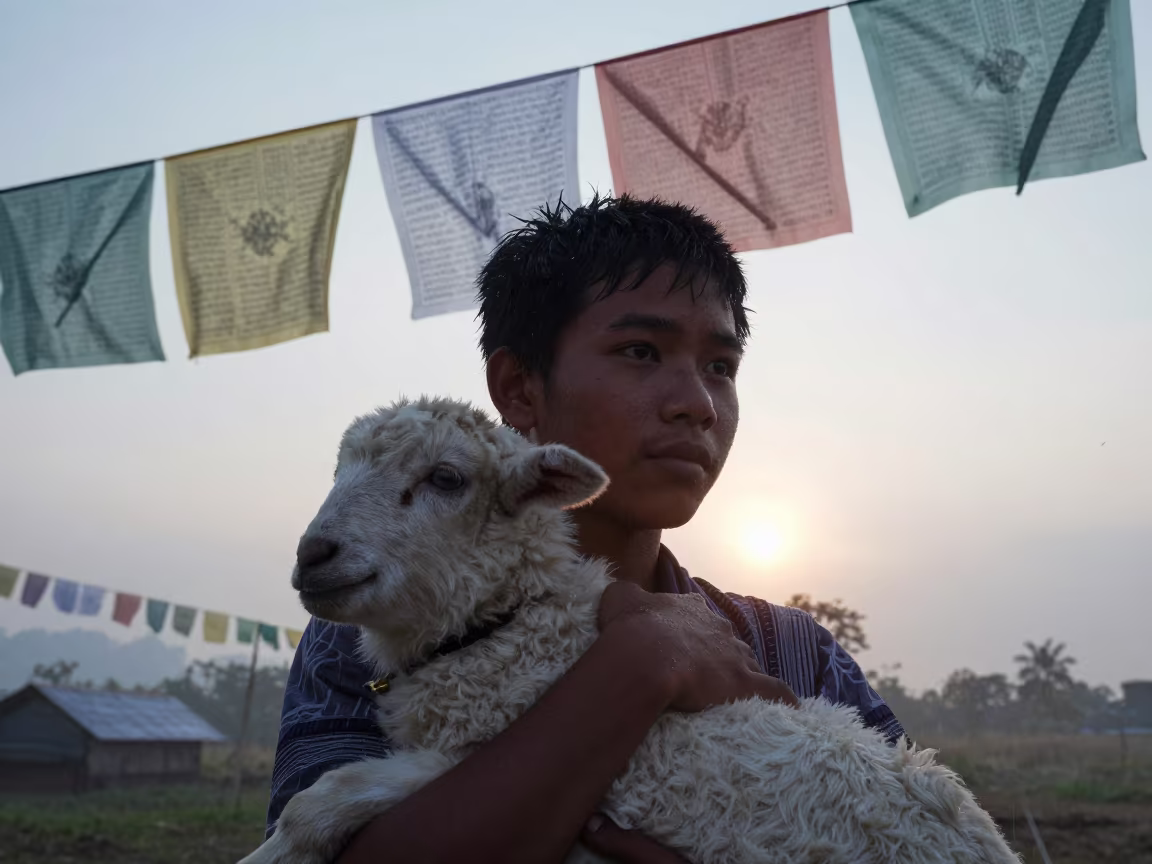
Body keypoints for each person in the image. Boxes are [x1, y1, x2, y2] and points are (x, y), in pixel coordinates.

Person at [267, 194, 904, 863]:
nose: (696, 404)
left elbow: (911, 832)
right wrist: (643, 663)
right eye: (640, 351)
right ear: (519, 389)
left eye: (721, 366)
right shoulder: (375, 638)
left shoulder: (793, 655)